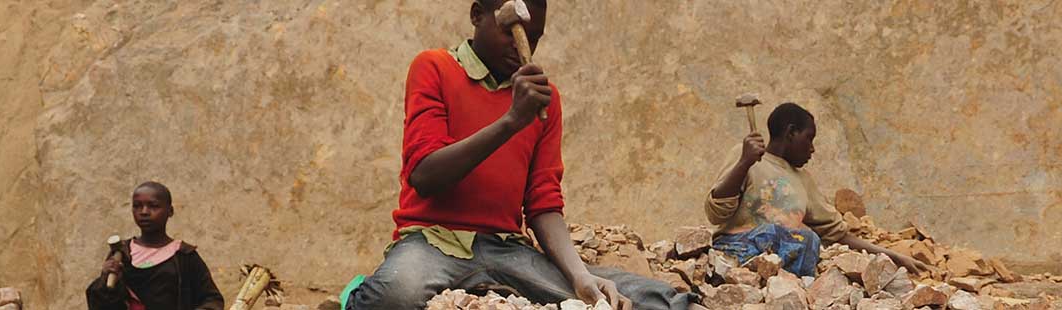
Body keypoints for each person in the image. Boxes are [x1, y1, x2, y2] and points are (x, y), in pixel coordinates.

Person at [346, 0, 690, 309]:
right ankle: (354, 295)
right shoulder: (434, 67)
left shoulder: (544, 99)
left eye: (534, 36)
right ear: (477, 15)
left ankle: (687, 304)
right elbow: (425, 176)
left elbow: (543, 203)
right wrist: (512, 120)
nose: (522, 45)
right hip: (432, 240)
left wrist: (579, 275)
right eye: (510, 30)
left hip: (506, 248)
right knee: (394, 295)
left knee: (613, 294)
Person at [705, 103, 932, 278]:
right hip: (735, 252)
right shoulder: (746, 156)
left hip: (780, 270)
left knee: (809, 239)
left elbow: (837, 233)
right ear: (791, 132)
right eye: (809, 138)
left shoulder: (804, 181)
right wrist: (745, 162)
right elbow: (716, 213)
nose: (812, 149)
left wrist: (894, 256)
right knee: (780, 233)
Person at [87, 182, 225, 310]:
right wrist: (104, 281)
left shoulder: (184, 256)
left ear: (170, 211)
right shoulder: (121, 254)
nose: (144, 212)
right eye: (137, 206)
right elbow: (103, 305)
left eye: (153, 206)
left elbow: (212, 300)